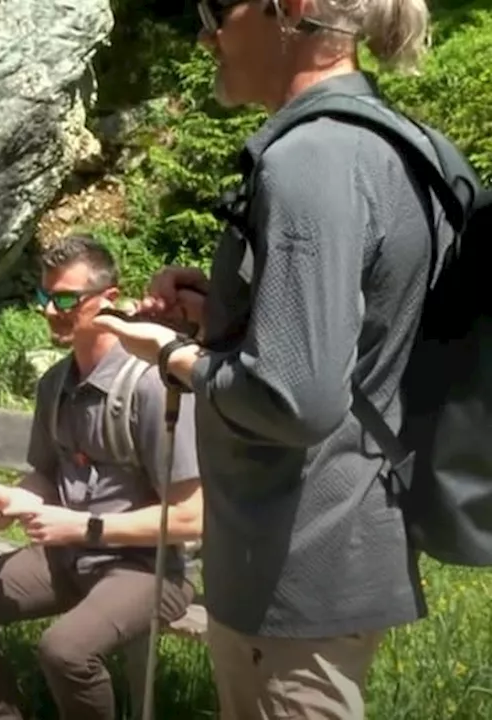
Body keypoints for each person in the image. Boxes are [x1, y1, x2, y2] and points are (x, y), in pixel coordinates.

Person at [93, 0, 443, 717]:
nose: (206, 32)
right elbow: (363, 329)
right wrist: (220, 314)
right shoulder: (383, 141)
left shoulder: (308, 161)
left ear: (296, 9)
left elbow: (297, 398)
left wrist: (172, 355)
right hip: (334, 534)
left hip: (292, 562)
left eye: (218, 8)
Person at [0, 235, 203, 720]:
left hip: (150, 570)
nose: (50, 310)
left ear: (109, 300)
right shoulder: (55, 384)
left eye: (66, 299)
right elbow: (46, 476)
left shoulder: (153, 385)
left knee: (65, 650)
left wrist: (83, 528)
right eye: (45, 297)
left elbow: (194, 518)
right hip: (69, 557)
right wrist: (11, 500)